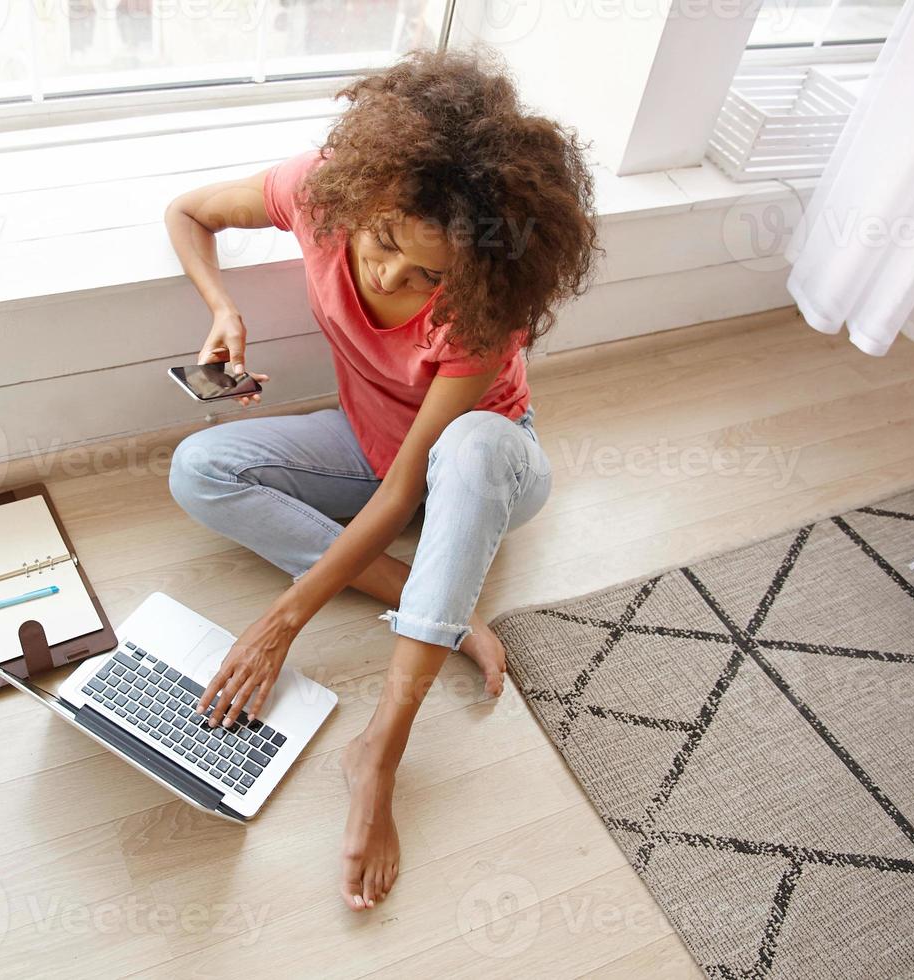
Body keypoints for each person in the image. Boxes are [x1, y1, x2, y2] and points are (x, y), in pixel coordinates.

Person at [162, 46, 601, 911]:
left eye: (428, 274)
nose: (391, 278)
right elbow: (186, 212)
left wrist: (284, 620)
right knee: (200, 470)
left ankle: (381, 752)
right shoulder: (323, 191)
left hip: (483, 463)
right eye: (385, 242)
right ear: (362, 200)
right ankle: (443, 604)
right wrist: (223, 306)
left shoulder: (488, 308)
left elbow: (408, 491)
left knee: (470, 450)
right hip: (367, 444)